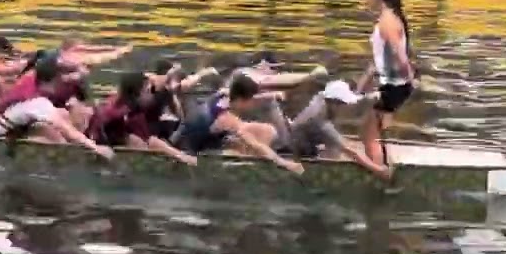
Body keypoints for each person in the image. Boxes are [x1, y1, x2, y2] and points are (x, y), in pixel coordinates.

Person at [172, 74, 304, 174]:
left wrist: (272, 95)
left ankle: (260, 160)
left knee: (267, 130)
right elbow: (254, 143)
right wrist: (284, 163)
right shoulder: (226, 119)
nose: (252, 105)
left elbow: (244, 95)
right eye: (250, 101)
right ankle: (257, 167)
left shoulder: (226, 94)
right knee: (249, 143)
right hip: (193, 150)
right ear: (241, 99)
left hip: (209, 137)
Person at [0, 58, 114, 161]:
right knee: (57, 132)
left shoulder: (37, 92)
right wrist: (95, 148)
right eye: (61, 78)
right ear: (54, 80)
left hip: (9, 129)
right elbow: (66, 128)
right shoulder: (38, 102)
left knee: (62, 115)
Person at [266, 80, 391, 180]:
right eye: (343, 104)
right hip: (297, 149)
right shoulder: (320, 121)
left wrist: (376, 95)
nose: (345, 107)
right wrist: (378, 170)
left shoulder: (321, 98)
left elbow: (359, 97)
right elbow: (350, 150)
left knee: (336, 146)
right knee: (339, 148)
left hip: (301, 136)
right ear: (334, 102)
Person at [356, 0, 414, 167]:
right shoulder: (389, 18)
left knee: (370, 135)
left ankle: (382, 173)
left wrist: (409, 80)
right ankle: (385, 167)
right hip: (393, 86)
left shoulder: (387, 21)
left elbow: (400, 56)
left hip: (393, 86)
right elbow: (379, 60)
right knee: (377, 132)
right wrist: (362, 84)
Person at [90, 71, 196, 165]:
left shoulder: (127, 105)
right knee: (145, 141)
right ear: (137, 92)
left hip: (114, 142)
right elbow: (152, 141)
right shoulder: (126, 113)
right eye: (147, 91)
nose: (151, 95)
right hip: (111, 150)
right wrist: (182, 156)